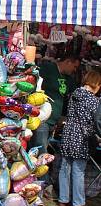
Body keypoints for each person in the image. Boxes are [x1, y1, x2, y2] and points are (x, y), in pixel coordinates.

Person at [30, 54, 80, 197]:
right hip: (42, 118)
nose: (75, 70)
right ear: (68, 61)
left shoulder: (69, 80)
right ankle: (46, 184)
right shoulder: (48, 68)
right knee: (41, 149)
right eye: (74, 66)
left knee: (45, 151)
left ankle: (39, 181)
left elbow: (71, 98)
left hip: (54, 121)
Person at [58, 69, 101, 206]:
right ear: (96, 84)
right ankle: (78, 202)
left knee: (65, 168)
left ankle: (63, 199)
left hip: (68, 133)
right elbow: (96, 121)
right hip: (82, 137)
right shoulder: (94, 100)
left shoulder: (74, 94)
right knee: (78, 170)